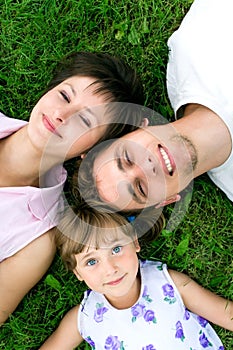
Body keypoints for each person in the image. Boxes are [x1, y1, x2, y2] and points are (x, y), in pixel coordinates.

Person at [0, 51, 146, 324]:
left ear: (91, 151)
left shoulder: (35, 241)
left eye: (85, 121)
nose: (60, 115)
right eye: (65, 96)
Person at [74, 0, 233, 212]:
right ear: (165, 201)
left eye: (128, 157)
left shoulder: (199, 48)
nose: (147, 168)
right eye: (140, 188)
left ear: (138, 127)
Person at [39, 206, 232, 349]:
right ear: (77, 273)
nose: (110, 269)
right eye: (91, 262)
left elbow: (224, 313)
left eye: (116, 249)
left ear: (135, 243)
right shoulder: (83, 318)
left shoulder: (167, 283)